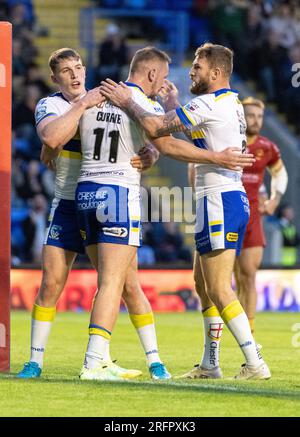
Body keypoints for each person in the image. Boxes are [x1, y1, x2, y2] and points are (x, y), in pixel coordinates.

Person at [100, 43, 271, 379]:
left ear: (216, 72)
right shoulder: (230, 103)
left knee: (220, 288)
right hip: (222, 199)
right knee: (202, 283)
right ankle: (210, 363)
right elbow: (198, 136)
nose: (191, 71)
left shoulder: (207, 102)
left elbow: (157, 131)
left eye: (197, 66)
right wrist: (174, 105)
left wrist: (128, 102)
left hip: (219, 199)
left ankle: (254, 362)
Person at [17, 48, 168, 381]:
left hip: (97, 197)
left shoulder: (105, 101)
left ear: (85, 70)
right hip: (68, 204)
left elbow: (140, 139)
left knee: (126, 285)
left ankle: (153, 360)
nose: (74, 75)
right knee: (52, 283)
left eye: (78, 68)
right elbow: (52, 138)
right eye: (66, 71)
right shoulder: (53, 104)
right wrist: (82, 104)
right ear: (55, 78)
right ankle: (35, 361)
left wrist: (151, 154)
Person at [235, 97, 288, 333]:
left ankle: (249, 331)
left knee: (249, 275)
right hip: (228, 214)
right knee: (225, 280)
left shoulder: (266, 147)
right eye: (250, 115)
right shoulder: (230, 141)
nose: (255, 120)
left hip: (253, 219)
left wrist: (275, 199)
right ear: (241, 117)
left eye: (259, 116)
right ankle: (227, 328)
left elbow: (281, 174)